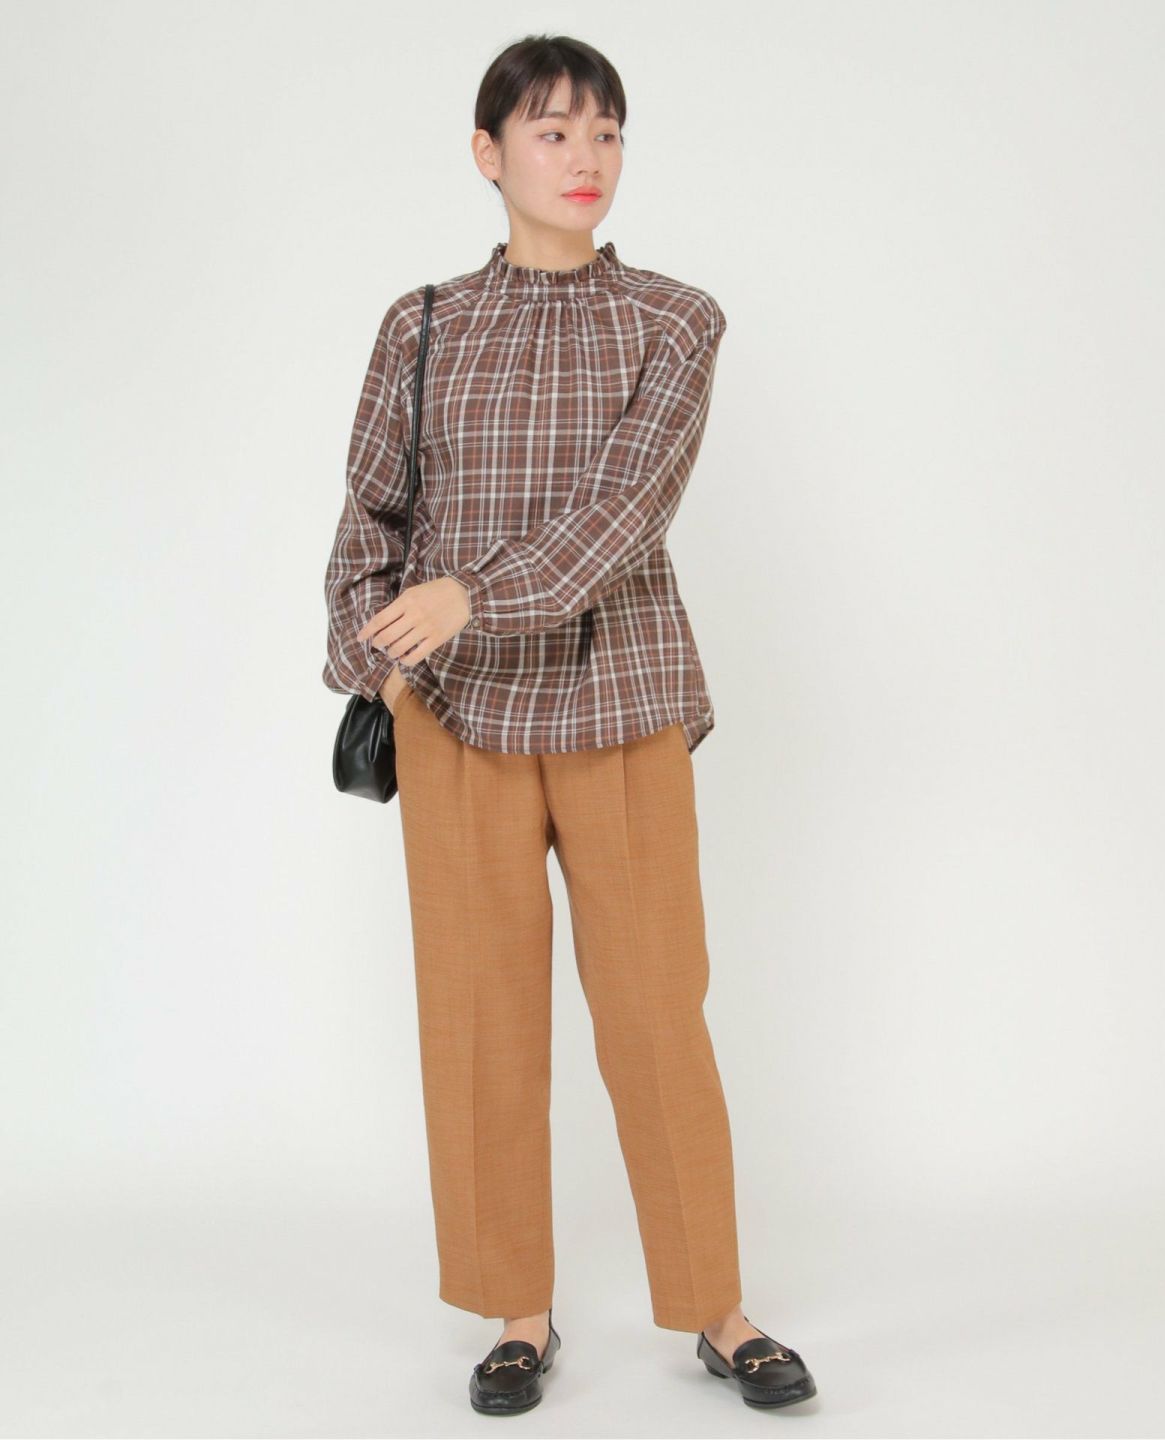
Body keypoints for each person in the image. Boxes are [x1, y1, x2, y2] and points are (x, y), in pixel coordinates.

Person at [322, 33, 817, 1416]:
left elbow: (625, 512)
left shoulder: (675, 318)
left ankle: (716, 1308)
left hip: (623, 700)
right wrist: (377, 658)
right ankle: (517, 1312)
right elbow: (368, 520)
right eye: (552, 131)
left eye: (606, 131)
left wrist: (470, 596)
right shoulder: (419, 324)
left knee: (656, 1012)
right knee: (479, 1020)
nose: (586, 156)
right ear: (488, 154)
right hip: (454, 719)